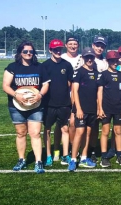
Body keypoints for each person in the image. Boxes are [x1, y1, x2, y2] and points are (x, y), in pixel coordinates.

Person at [2, 41, 50, 173]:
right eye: (25, 51)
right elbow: (5, 85)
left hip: (36, 105)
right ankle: (21, 159)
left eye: (31, 51)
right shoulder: (12, 67)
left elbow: (46, 84)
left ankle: (38, 161)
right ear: (20, 53)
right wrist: (16, 95)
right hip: (17, 106)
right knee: (21, 133)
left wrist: (40, 95)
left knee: (35, 133)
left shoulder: (39, 67)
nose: (28, 53)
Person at [41, 39, 73, 167]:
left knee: (65, 129)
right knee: (47, 130)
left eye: (59, 49)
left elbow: (69, 83)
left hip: (64, 103)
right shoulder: (45, 66)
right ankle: (49, 155)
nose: (58, 51)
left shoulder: (67, 65)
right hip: (48, 104)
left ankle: (65, 155)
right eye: (55, 49)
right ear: (50, 50)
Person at [68, 47, 99, 171]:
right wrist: (78, 109)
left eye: (91, 57)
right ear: (83, 58)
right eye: (87, 57)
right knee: (79, 133)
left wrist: (98, 108)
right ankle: (73, 159)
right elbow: (74, 91)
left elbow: (98, 93)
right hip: (81, 109)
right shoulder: (79, 72)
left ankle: (84, 158)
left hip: (92, 109)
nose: (89, 59)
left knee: (88, 134)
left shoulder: (97, 73)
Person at [98, 51, 121, 167]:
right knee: (105, 132)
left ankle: (119, 155)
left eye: (116, 61)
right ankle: (104, 156)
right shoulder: (104, 75)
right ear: (108, 61)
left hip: (118, 108)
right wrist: (100, 108)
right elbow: (99, 92)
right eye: (112, 61)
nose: (115, 63)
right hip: (106, 108)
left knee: (118, 131)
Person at [61, 36, 84, 160]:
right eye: (70, 44)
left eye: (75, 44)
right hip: (64, 93)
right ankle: (68, 148)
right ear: (66, 45)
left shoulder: (82, 58)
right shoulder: (62, 58)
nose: (73, 46)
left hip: (79, 93)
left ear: (78, 46)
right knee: (64, 124)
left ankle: (77, 148)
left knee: (74, 122)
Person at [89, 35, 109, 162]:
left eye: (102, 46)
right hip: (89, 97)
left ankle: (97, 150)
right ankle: (88, 150)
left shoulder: (106, 62)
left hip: (103, 97)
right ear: (93, 45)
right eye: (97, 45)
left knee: (101, 126)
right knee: (91, 126)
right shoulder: (85, 59)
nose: (99, 48)